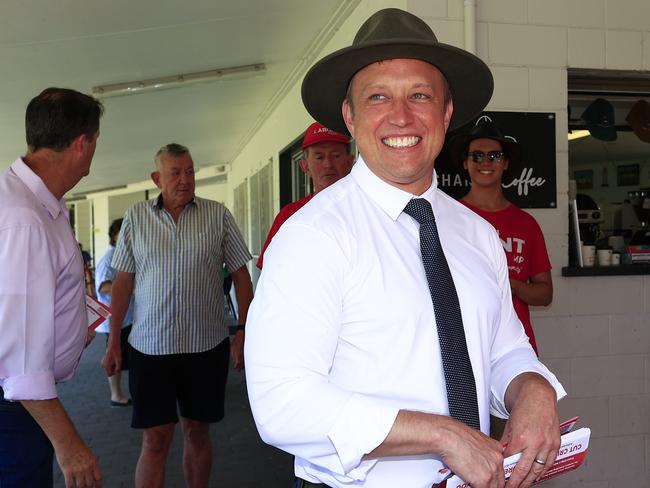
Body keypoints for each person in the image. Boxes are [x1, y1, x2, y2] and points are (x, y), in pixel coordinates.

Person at [245, 8, 566, 488]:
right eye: (378, 97)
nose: (401, 117)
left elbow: (503, 349)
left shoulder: (477, 233)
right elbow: (281, 402)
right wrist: (442, 435)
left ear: (447, 113)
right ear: (350, 118)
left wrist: (534, 387)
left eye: (420, 95)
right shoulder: (312, 235)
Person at [101, 143, 254, 488]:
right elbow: (123, 282)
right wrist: (113, 340)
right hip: (149, 348)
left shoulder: (217, 215)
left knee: (197, 432)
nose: (185, 179)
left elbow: (241, 276)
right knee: (155, 439)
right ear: (157, 178)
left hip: (205, 347)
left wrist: (244, 331)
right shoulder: (136, 218)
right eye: (175, 172)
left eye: (189, 171)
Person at [0, 87, 103, 487]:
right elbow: (20, 362)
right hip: (13, 409)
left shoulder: (38, 203)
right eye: (95, 142)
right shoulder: (24, 219)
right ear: (82, 143)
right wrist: (69, 445)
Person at [449, 116, 553, 354]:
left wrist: (510, 285)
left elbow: (545, 294)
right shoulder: (448, 217)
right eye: (477, 155)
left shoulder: (526, 224)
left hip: (515, 349)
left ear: (505, 163)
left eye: (494, 155)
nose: (485, 161)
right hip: (465, 346)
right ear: (465, 163)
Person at [256, 122, 354, 269]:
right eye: (319, 157)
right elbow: (271, 269)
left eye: (336, 155)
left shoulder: (368, 208)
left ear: (349, 162)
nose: (328, 164)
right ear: (305, 166)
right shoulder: (289, 215)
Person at [95, 218, 134, 406]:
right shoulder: (109, 258)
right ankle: (115, 394)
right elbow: (103, 286)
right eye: (123, 234)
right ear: (114, 236)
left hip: (126, 317)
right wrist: (129, 288)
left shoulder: (122, 255)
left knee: (125, 356)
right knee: (115, 355)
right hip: (115, 318)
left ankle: (119, 393)